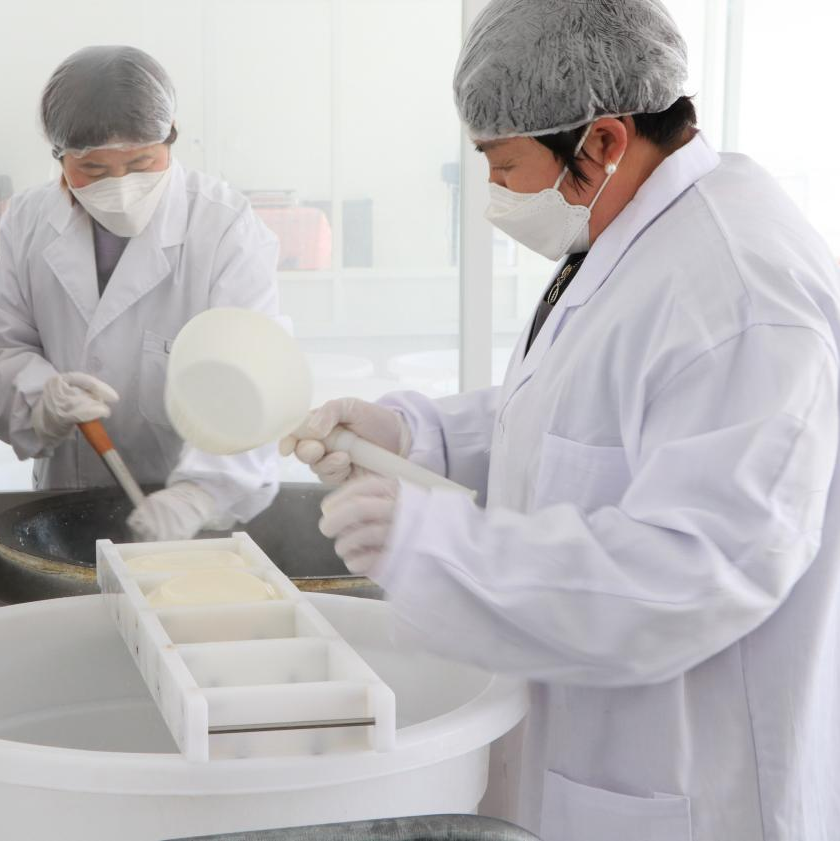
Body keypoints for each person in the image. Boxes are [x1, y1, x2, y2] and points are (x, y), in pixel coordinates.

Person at [281, 2, 840, 839]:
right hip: (596, 742)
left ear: (603, 140)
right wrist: (414, 440)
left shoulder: (737, 292)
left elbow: (698, 573)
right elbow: (582, 414)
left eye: (504, 165)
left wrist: (443, 548)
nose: (496, 195)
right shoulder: (640, 228)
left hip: (689, 784)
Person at [0, 46, 280, 541]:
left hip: (195, 520)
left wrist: (200, 494)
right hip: (66, 501)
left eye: (141, 161)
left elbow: (253, 374)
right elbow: (2, 347)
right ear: (59, 156)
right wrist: (41, 400)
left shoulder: (224, 227)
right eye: (93, 169)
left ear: (170, 135)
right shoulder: (28, 221)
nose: (121, 184)